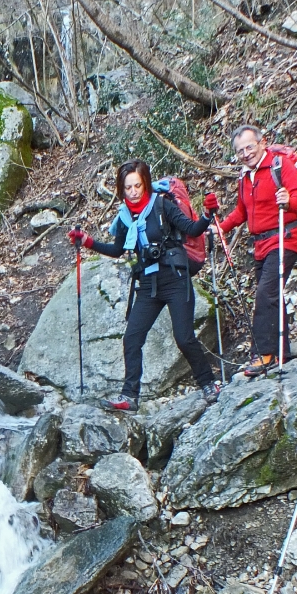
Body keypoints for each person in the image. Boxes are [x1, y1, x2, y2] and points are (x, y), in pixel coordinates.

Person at [68, 160, 221, 412]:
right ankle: (130, 397)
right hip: (148, 283)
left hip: (175, 278)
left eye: (137, 185)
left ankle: (208, 383)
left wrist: (207, 214)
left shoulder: (162, 205)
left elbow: (193, 229)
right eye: (127, 187)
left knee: (183, 337)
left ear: (145, 183)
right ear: (121, 189)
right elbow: (118, 250)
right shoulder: (125, 217)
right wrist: (87, 241)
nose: (133, 191)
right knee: (132, 337)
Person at [204, 124, 297, 376]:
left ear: (262, 143)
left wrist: (289, 200)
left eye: (249, 146)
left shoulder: (280, 166)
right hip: (261, 244)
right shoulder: (245, 176)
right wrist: (222, 228)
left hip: (285, 238)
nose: (246, 153)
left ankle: (263, 354)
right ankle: (280, 349)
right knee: (271, 294)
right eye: (240, 150)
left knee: (265, 294)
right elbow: (243, 211)